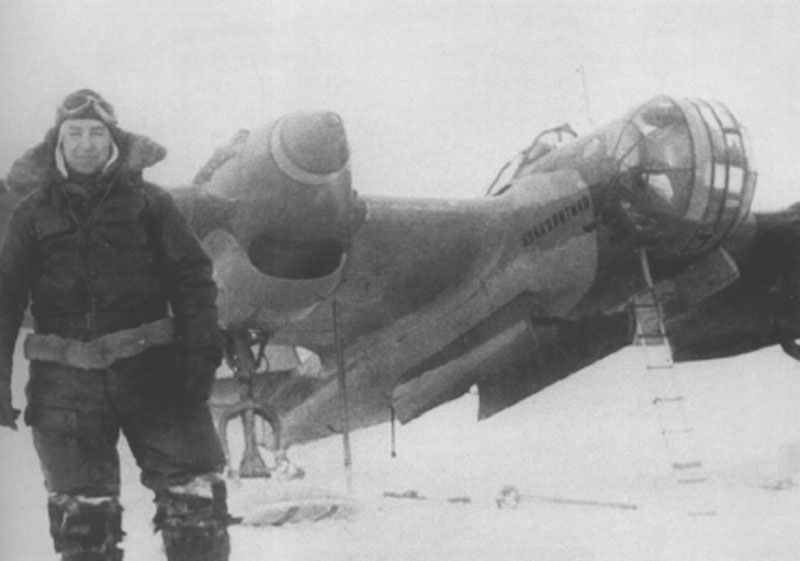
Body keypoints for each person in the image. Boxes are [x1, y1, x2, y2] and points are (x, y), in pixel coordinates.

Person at [0, 89, 233, 561]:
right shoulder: (29, 215)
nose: (85, 143)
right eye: (75, 134)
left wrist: (198, 367)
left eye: (95, 133)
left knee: (195, 512)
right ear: (57, 143)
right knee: (83, 526)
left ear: (114, 140)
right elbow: (4, 300)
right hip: (65, 388)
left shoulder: (152, 205)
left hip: (156, 377)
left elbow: (193, 284)